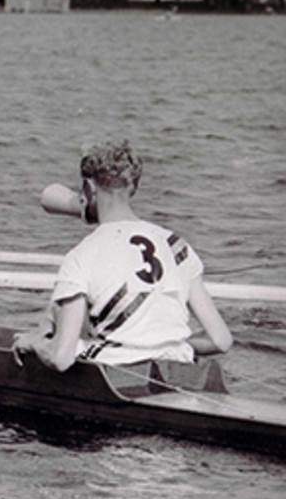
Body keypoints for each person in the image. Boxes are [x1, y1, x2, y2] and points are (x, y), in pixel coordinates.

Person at [13, 141, 233, 371]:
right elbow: (221, 341)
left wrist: (34, 343)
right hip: (176, 360)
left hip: (115, 372)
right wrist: (161, 345)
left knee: (59, 316)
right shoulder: (176, 244)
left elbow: (61, 359)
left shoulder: (82, 255)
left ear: (88, 188)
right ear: (134, 188)